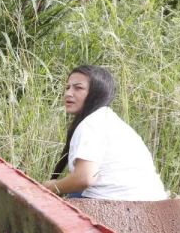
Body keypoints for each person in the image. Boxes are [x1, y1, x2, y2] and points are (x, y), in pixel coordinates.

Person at [42, 65, 168, 201]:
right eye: (67, 87)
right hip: (153, 201)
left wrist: (53, 187)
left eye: (78, 88)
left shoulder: (91, 124)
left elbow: (84, 178)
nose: (68, 93)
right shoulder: (109, 120)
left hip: (121, 203)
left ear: (96, 93)